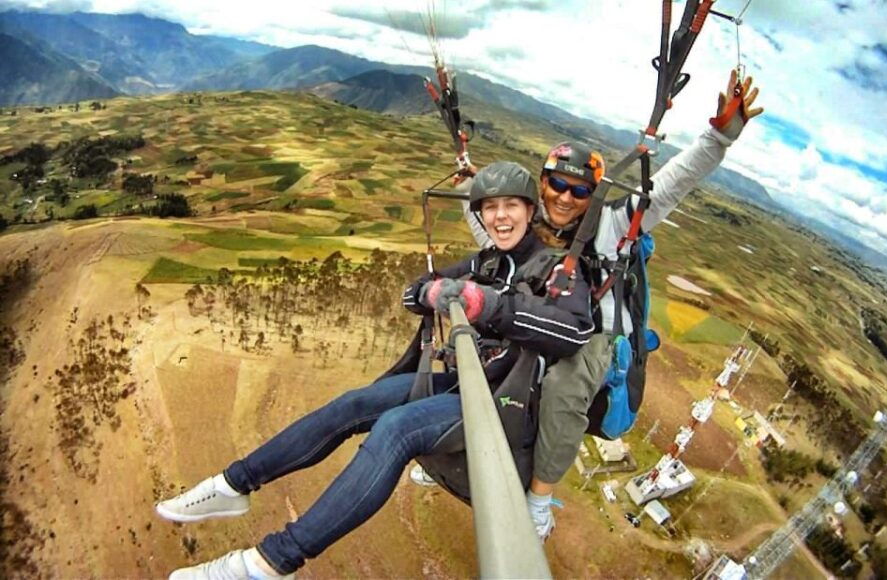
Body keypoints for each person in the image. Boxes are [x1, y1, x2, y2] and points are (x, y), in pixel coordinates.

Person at [155, 161, 594, 579]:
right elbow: (414, 291)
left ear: (529, 210)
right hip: (466, 385)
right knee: (356, 403)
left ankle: (271, 563)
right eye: (489, 208)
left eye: (510, 206)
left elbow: (573, 331)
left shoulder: (559, 270)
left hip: (505, 406)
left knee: (397, 429)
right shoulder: (488, 263)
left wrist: (488, 304)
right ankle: (233, 485)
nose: (500, 217)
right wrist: (431, 291)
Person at [445, 70, 764, 540]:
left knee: (563, 388)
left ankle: (538, 504)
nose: (565, 197)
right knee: (471, 351)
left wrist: (718, 138)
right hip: (542, 316)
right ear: (542, 183)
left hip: (591, 334)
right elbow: (491, 238)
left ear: (593, 196)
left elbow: (674, 183)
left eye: (579, 191)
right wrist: (470, 191)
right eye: (556, 184)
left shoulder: (612, 227)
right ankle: (453, 444)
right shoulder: (528, 223)